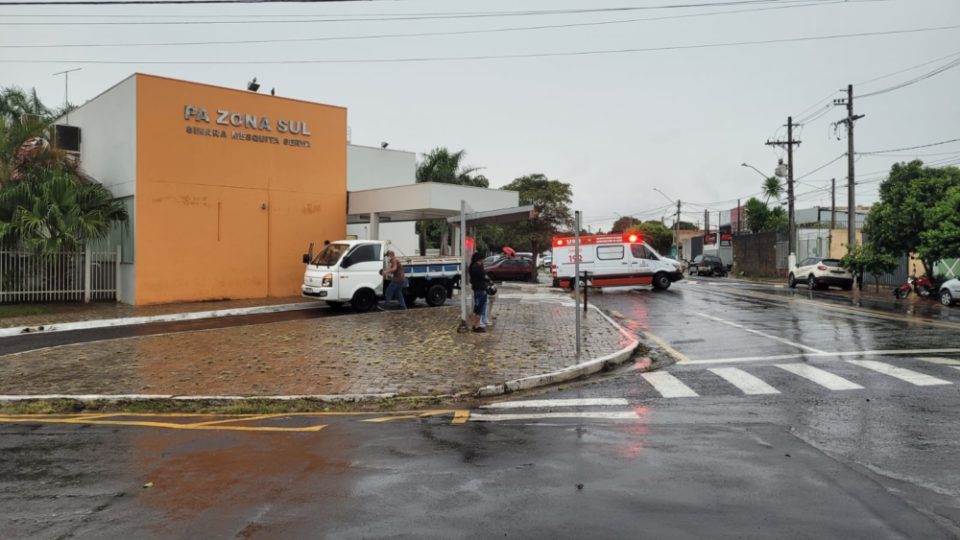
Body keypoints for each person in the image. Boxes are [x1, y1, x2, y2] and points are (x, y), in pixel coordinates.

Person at [469, 252, 488, 333]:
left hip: (476, 288)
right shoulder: (478, 267)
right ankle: (477, 326)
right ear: (480, 259)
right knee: (479, 308)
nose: (484, 260)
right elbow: (484, 276)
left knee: (478, 307)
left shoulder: (472, 266)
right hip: (480, 289)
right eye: (483, 259)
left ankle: (476, 324)